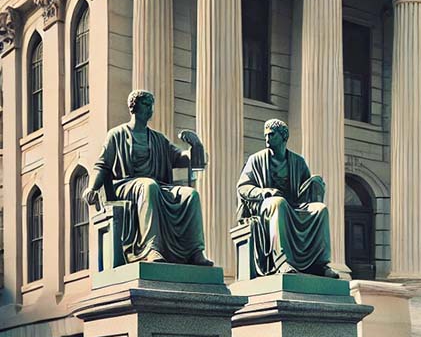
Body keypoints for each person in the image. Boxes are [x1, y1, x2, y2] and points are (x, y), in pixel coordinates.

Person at [83, 90, 212, 266]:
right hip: (125, 185)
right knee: (148, 186)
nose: (150, 109)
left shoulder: (158, 139)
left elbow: (182, 159)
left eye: (151, 105)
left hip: (156, 187)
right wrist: (92, 188)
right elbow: (102, 164)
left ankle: (195, 251)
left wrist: (196, 146)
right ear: (133, 107)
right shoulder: (116, 134)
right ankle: (151, 248)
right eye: (145, 104)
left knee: (190, 195)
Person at [236, 119, 338, 278]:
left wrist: (314, 185)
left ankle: (320, 264)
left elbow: (305, 192)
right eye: (266, 136)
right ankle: (281, 261)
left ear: (284, 137)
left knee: (320, 209)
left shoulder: (298, 161)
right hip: (266, 205)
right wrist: (265, 193)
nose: (267, 139)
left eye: (271, 135)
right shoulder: (255, 160)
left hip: (294, 205)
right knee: (278, 203)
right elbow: (243, 187)